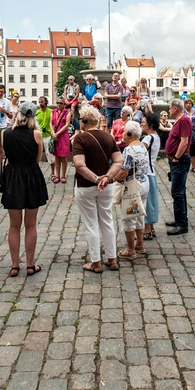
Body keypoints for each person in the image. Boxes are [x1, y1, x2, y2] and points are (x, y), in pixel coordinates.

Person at [72, 105, 123, 272]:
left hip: (86, 186)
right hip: (107, 186)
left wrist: (96, 179)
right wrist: (107, 177)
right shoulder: (108, 137)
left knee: (91, 223)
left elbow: (79, 165)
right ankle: (112, 258)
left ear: (85, 121)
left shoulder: (80, 139)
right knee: (107, 221)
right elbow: (118, 161)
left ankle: (95, 261)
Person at [1, 101, 49, 277]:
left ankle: (14, 265)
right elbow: (37, 159)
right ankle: (30, 264)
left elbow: (6, 155)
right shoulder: (36, 134)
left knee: (14, 225)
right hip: (30, 177)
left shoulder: (4, 133)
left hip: (12, 177)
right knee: (31, 224)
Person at [115, 121, 150, 260]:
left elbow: (124, 172)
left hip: (132, 189)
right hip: (144, 186)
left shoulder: (129, 150)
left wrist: (112, 178)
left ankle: (130, 250)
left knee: (129, 218)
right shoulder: (143, 147)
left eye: (124, 132)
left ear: (129, 134)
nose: (122, 134)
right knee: (140, 215)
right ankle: (140, 245)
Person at [166, 99, 192, 235]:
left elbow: (184, 141)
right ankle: (179, 219)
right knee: (177, 191)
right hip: (176, 160)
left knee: (178, 192)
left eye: (170, 108)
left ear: (175, 108)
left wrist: (176, 157)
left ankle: (182, 223)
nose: (169, 110)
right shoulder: (180, 121)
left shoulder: (184, 120)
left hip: (180, 160)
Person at [140, 112, 161, 241]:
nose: (142, 124)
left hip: (145, 172)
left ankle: (146, 230)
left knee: (146, 202)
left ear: (150, 124)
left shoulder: (147, 138)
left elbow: (140, 152)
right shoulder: (156, 136)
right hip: (151, 172)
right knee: (152, 201)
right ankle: (151, 228)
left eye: (144, 122)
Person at [50, 97, 72, 184]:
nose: (59, 104)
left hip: (63, 136)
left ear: (64, 104)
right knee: (56, 156)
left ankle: (63, 175)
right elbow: (51, 123)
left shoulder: (67, 112)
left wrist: (57, 133)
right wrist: (53, 133)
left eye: (61, 103)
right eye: (58, 102)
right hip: (55, 135)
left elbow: (67, 125)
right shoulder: (53, 112)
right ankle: (57, 175)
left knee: (64, 156)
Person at [36, 96, 54, 168]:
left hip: (48, 135)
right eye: (39, 102)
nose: (40, 103)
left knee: (50, 154)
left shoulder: (51, 111)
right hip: (39, 135)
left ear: (46, 102)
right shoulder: (37, 112)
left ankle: (53, 172)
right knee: (36, 153)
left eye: (42, 101)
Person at [184, 99, 195, 173]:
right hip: (185, 133)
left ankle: (194, 166)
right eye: (187, 103)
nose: (188, 104)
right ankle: (185, 165)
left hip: (194, 132)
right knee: (185, 149)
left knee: (193, 150)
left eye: (190, 103)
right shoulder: (183, 112)